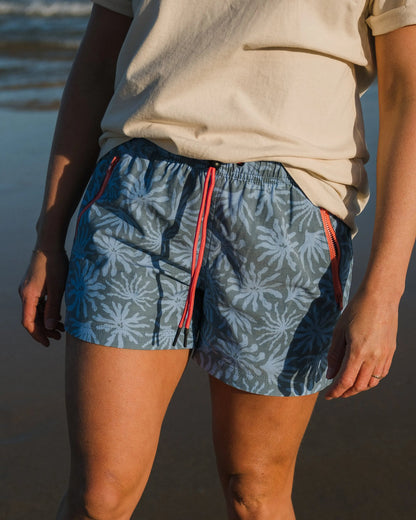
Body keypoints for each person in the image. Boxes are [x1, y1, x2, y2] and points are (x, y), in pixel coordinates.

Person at [19, 1, 416, 519]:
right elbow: (95, 66)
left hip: (287, 215)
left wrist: (385, 290)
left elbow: (407, 93)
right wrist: (49, 236)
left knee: (255, 493)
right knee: (99, 496)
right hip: (136, 195)